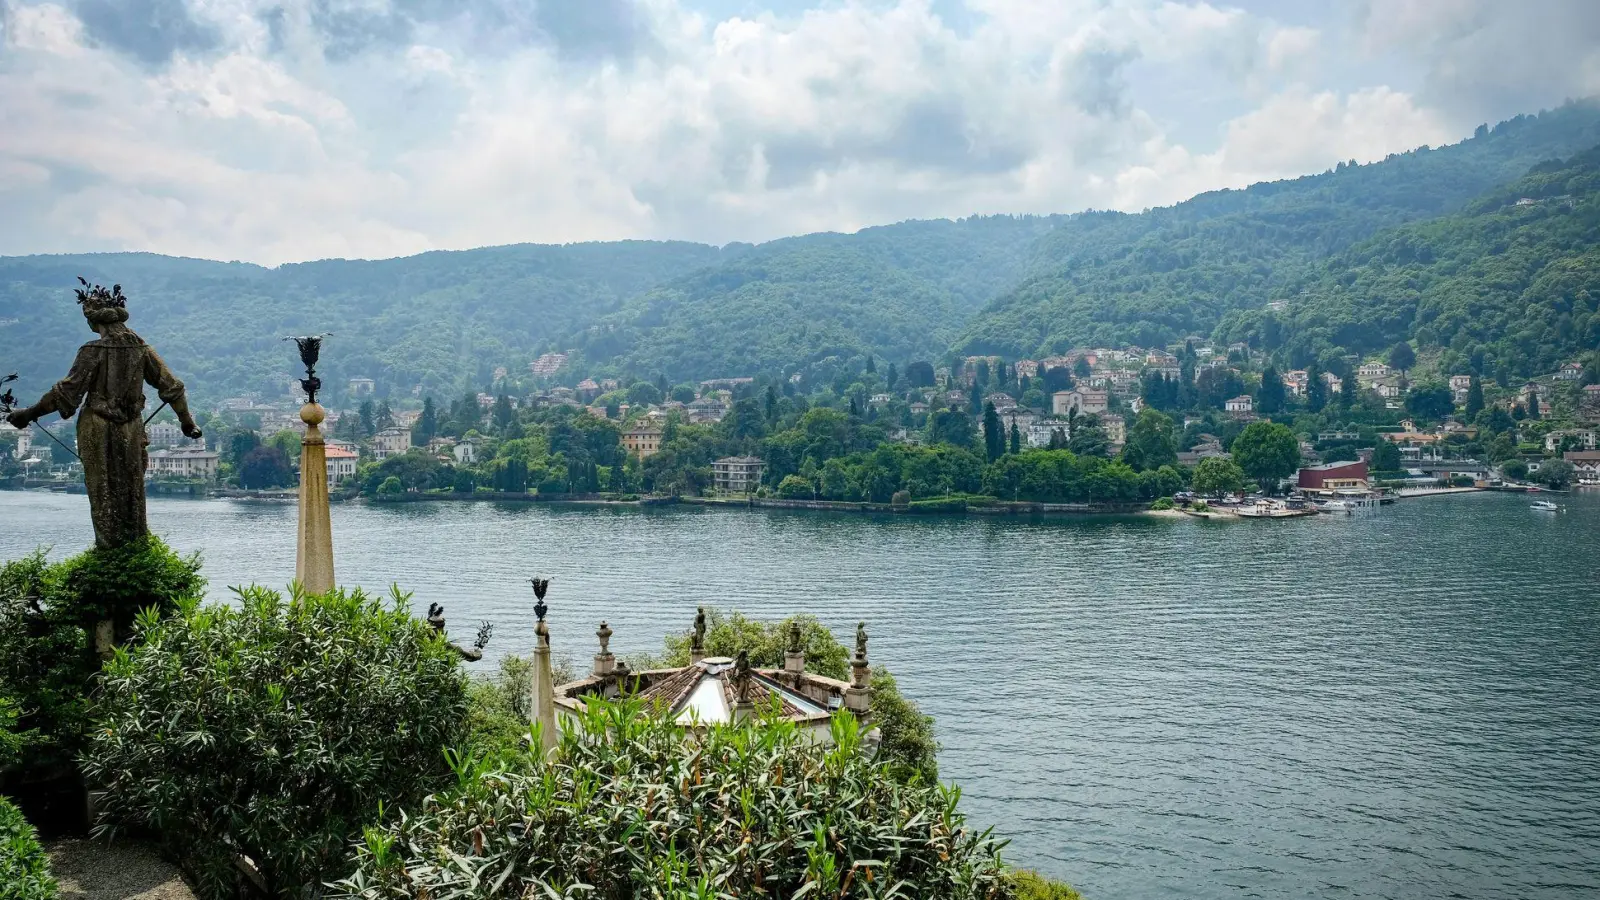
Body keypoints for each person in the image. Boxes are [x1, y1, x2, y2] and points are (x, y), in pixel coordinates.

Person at [6, 281, 201, 549]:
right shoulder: (142, 349)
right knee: (133, 489)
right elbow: (173, 386)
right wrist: (186, 421)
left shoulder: (93, 350)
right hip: (131, 428)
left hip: (97, 426)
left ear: (93, 320)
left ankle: (108, 552)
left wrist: (28, 413)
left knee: (103, 490)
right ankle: (135, 547)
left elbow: (66, 392)